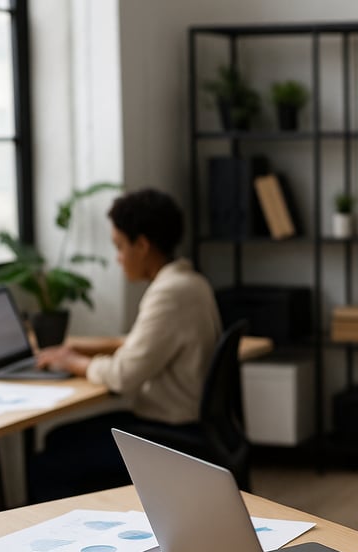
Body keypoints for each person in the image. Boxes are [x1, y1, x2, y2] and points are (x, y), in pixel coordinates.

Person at [29, 188, 222, 503]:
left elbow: (123, 375)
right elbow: (136, 343)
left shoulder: (170, 293)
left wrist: (71, 362)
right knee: (59, 439)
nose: (117, 258)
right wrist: (74, 347)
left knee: (50, 460)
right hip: (189, 427)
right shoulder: (190, 282)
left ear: (142, 245)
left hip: (172, 436)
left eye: (119, 246)